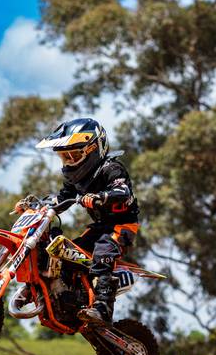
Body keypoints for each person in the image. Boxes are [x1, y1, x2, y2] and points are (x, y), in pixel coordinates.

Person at [35, 117, 141, 325]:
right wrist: (38, 205)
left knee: (101, 255)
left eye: (74, 155)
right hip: (100, 227)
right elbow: (62, 198)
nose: (69, 161)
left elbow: (123, 191)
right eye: (65, 157)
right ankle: (70, 299)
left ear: (93, 149)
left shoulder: (112, 168)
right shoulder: (77, 178)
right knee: (68, 253)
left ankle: (102, 307)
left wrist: (101, 196)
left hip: (121, 226)